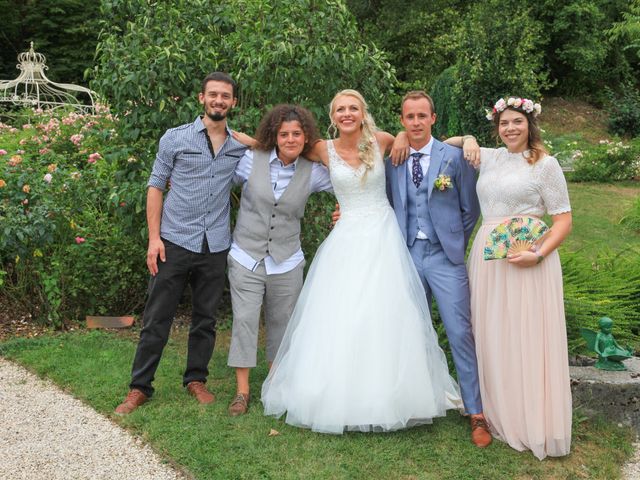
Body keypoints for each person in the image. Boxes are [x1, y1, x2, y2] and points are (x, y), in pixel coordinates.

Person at [260, 89, 462, 434]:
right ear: (333, 115)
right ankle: (338, 396)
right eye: (341, 109)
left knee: (387, 314)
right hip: (348, 236)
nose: (347, 114)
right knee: (341, 315)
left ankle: (392, 395)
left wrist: (415, 134)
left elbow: (423, 142)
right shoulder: (322, 149)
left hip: (384, 235)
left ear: (362, 112)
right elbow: (286, 146)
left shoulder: (383, 140)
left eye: (353, 108)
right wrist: (254, 140)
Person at [115, 72, 248, 415]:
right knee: (157, 318)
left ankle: (195, 379)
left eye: (226, 96)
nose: (219, 101)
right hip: (173, 241)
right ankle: (139, 387)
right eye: (213, 95)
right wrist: (154, 239)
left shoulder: (238, 146)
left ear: (233, 102)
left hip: (215, 245)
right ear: (201, 98)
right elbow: (155, 186)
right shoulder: (175, 139)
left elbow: (274, 147)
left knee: (205, 319)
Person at [448, 96, 573, 459]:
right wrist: (469, 138)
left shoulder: (545, 164)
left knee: (528, 334)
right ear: (497, 127)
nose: (510, 129)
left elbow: (563, 220)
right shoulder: (491, 156)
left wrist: (537, 254)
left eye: (517, 122)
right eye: (504, 123)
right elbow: (448, 143)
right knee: (492, 331)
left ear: (529, 124)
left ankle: (533, 418)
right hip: (489, 257)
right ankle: (496, 412)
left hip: (529, 257)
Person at [384, 91, 491, 447]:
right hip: (407, 255)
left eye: (421, 116)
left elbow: (470, 208)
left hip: (445, 258)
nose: (415, 122)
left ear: (433, 119)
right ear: (402, 120)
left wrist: (452, 240)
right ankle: (410, 402)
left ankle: (475, 411)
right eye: (409, 117)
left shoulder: (453, 157)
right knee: (409, 330)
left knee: (459, 332)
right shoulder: (394, 159)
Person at [226, 105, 332, 416]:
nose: (290, 139)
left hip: (287, 260)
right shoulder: (250, 160)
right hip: (246, 254)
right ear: (274, 135)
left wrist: (345, 211)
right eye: (284, 133)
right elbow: (218, 181)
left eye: (296, 134)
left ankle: (274, 386)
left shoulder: (313, 172)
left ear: (306, 137)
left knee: (282, 324)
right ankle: (242, 392)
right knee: (244, 320)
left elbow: (350, 184)